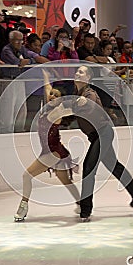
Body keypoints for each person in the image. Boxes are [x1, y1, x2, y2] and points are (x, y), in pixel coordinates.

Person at [72, 65, 133, 222]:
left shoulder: (89, 93)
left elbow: (91, 102)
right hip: (97, 135)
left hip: (103, 134)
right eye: (77, 71)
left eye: (81, 72)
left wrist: (83, 102)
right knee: (114, 166)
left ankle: (85, 210)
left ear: (88, 78)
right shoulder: (77, 94)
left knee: (88, 169)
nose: (77, 73)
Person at [14, 70, 81, 222]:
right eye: (52, 94)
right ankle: (81, 203)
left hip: (53, 153)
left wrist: (79, 103)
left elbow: (68, 109)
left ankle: (23, 206)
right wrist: (45, 74)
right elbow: (47, 87)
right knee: (65, 181)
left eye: (56, 96)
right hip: (55, 151)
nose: (52, 96)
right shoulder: (48, 107)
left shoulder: (57, 112)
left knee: (26, 175)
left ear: (59, 100)